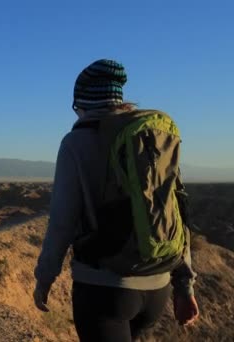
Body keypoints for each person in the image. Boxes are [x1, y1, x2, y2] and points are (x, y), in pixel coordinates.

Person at [33, 59, 200, 342]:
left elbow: (62, 221)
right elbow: (173, 212)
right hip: (157, 289)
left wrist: (44, 278)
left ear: (81, 103)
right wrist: (185, 287)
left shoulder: (76, 142)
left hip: (104, 290)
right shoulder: (149, 139)